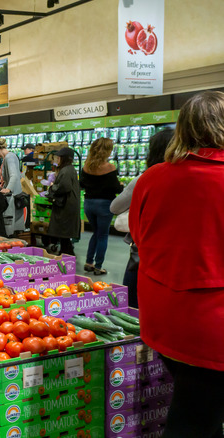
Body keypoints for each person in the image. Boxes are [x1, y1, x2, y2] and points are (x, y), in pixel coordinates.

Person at [129, 90, 224, 438]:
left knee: (200, 410)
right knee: (195, 420)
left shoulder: (153, 178)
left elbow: (140, 237)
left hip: (162, 319)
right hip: (213, 326)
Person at [110, 129, 174, 307]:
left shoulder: (144, 178)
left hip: (144, 249)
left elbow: (115, 207)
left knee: (134, 302)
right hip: (175, 253)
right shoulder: (189, 176)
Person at [80, 138, 123, 275]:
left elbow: (81, 185)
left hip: (89, 204)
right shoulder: (110, 167)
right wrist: (121, 186)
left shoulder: (86, 166)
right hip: (104, 204)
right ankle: (98, 267)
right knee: (103, 235)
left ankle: (88, 262)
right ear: (106, 151)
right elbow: (116, 188)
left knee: (96, 232)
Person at [47, 147, 81, 255]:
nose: (57, 160)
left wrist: (53, 188)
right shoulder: (69, 169)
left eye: (59, 158)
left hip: (65, 206)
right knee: (64, 236)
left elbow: (65, 187)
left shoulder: (66, 170)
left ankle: (67, 255)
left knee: (63, 232)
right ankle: (66, 253)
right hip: (68, 205)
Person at [0, 138, 26, 235]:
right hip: (15, 193)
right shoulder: (9, 157)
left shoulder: (9, 158)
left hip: (12, 196)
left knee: (9, 224)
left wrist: (8, 188)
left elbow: (14, 175)